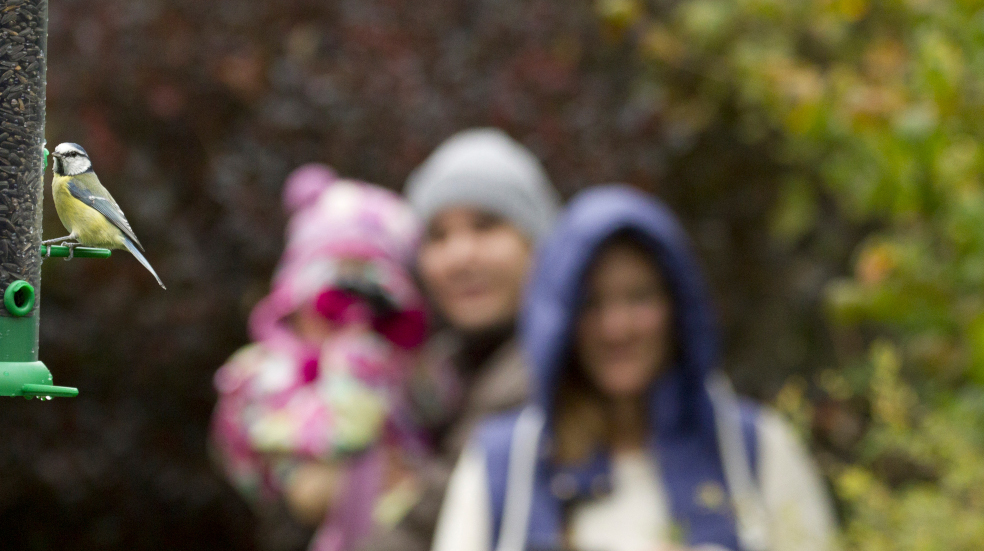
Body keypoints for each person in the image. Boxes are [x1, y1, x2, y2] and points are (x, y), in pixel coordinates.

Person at [431, 185, 837, 551]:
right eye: (592, 304)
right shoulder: (504, 466)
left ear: (676, 307)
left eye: (639, 297)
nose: (616, 328)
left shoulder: (753, 450)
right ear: (561, 320)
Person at [355, 129, 562, 551]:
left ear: (539, 243)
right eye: (438, 236)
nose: (459, 256)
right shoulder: (435, 373)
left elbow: (427, 520)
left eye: (485, 226)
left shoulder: (552, 369)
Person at [211, 164, 433, 551]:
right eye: (335, 301)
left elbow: (437, 420)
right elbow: (321, 455)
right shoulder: (264, 373)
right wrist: (354, 362)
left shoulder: (406, 368)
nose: (353, 316)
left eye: (372, 303)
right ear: (293, 300)